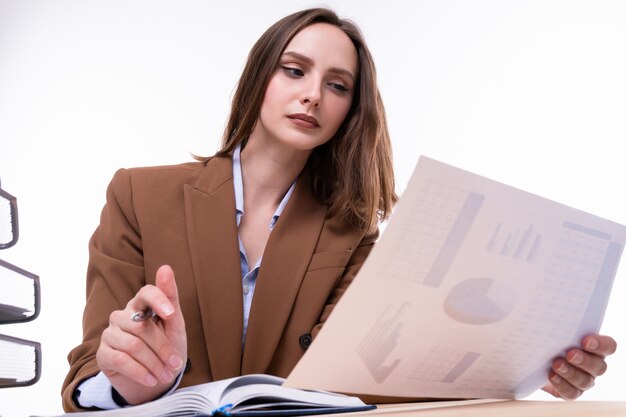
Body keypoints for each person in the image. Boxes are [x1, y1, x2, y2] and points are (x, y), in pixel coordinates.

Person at [61, 7, 616, 412]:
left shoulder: (351, 234)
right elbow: (87, 370)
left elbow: (367, 376)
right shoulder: (137, 194)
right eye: (294, 70)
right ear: (259, 77)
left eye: (338, 85)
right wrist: (127, 382)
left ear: (351, 109)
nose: (312, 96)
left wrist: (534, 363)